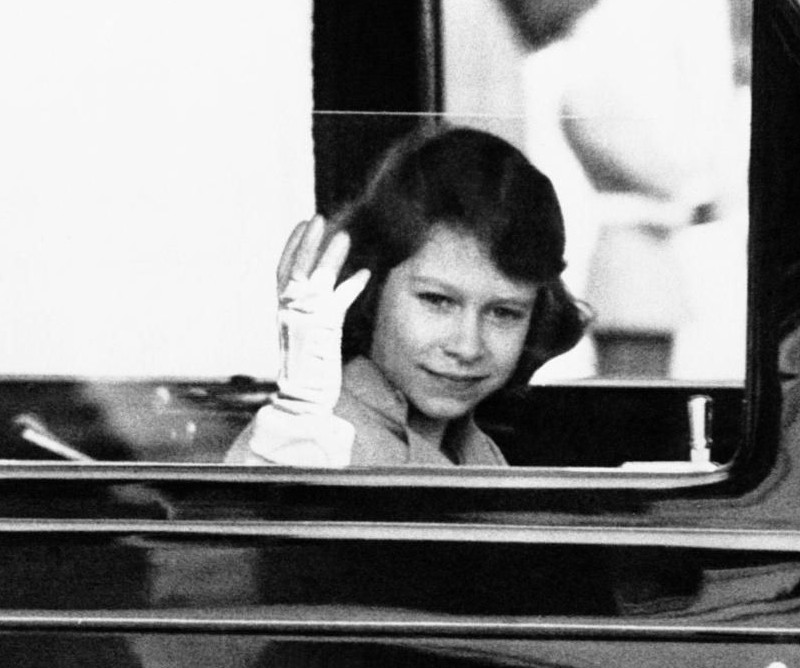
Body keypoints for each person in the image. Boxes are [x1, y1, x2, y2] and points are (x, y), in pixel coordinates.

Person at [225, 126, 587, 467]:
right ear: (370, 291)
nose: (467, 347)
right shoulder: (309, 436)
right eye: (437, 301)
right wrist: (291, 443)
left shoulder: (475, 450)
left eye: (504, 313)